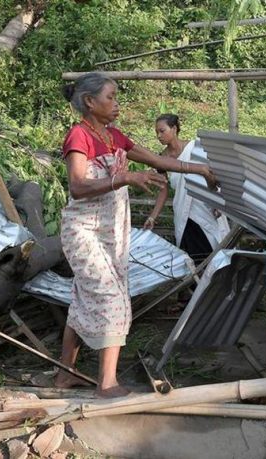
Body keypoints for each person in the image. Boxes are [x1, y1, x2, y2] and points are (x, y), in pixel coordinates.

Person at [54, 73, 217, 398]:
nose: (117, 104)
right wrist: (125, 177)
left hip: (111, 233)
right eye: (110, 98)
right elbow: (78, 186)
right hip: (84, 231)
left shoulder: (115, 137)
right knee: (112, 299)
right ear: (90, 102)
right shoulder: (79, 137)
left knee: (83, 297)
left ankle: (64, 375)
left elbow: (159, 161)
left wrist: (201, 170)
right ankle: (107, 382)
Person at [144, 114, 230, 265]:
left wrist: (217, 201)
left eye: (162, 131)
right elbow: (163, 190)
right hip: (184, 214)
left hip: (205, 208)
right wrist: (153, 217)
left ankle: (214, 286)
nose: (159, 136)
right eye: (156, 132)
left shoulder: (197, 148)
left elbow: (215, 176)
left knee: (213, 252)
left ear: (174, 129)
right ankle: (196, 287)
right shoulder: (161, 159)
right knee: (191, 258)